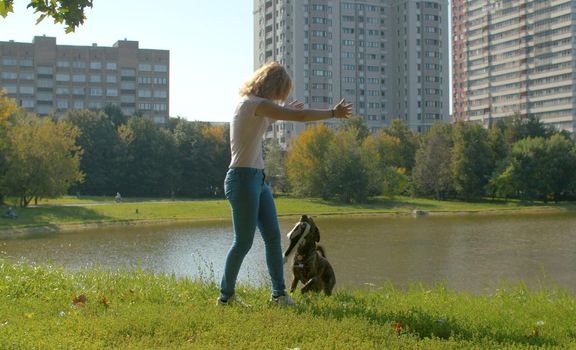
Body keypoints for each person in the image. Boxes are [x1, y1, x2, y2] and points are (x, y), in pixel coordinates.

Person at [218, 62, 352, 306]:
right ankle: (225, 297)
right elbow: (300, 117)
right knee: (243, 242)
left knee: (272, 238)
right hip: (242, 179)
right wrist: (333, 113)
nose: (280, 99)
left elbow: (267, 120)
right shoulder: (252, 104)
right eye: (280, 93)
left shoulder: (253, 106)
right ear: (272, 86)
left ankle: (279, 294)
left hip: (258, 180)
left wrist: (284, 109)